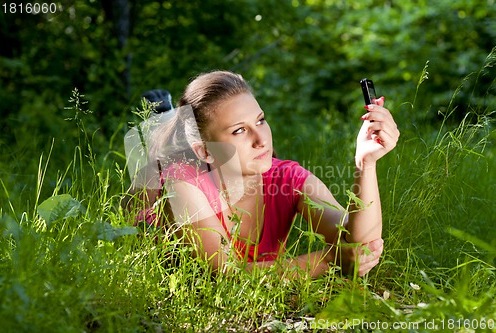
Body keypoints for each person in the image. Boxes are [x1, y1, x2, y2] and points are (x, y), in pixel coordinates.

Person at [127, 70, 400, 278]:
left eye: (260, 120)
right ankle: (163, 117)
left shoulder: (287, 178)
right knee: (157, 162)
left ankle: (169, 118)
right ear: (206, 151)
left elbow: (359, 242)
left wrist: (366, 162)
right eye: (239, 130)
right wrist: (329, 261)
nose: (262, 140)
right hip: (158, 207)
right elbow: (225, 276)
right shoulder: (183, 184)